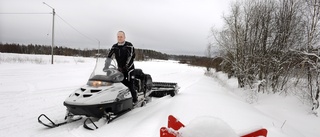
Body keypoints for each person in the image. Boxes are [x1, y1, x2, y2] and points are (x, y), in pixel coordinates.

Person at [105, 31, 138, 103]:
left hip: (129, 69)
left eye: (121, 37)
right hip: (120, 69)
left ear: (124, 37)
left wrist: (126, 66)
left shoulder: (129, 46)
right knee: (119, 85)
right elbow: (109, 56)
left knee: (130, 85)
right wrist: (106, 66)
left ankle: (134, 100)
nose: (119, 38)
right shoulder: (115, 47)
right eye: (118, 37)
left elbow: (131, 56)